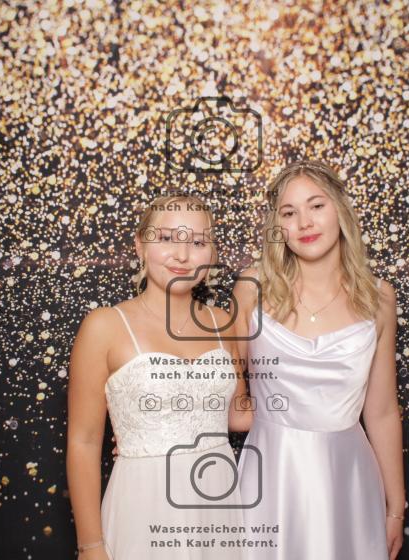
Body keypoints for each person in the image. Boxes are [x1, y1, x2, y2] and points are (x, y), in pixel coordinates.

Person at [233, 160, 406, 559]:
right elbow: (222, 387)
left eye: (316, 206)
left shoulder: (379, 298)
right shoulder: (251, 288)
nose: (304, 223)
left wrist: (395, 507)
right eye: (289, 213)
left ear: (340, 209)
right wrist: (156, 428)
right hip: (271, 476)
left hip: (347, 479)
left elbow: (381, 412)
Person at [66, 195, 253, 560]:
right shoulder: (104, 326)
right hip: (144, 504)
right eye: (166, 238)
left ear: (212, 253)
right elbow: (84, 442)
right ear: (140, 245)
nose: (182, 255)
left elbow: (239, 415)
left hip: (217, 501)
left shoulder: (222, 323)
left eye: (197, 242)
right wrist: (90, 546)